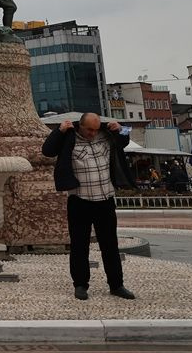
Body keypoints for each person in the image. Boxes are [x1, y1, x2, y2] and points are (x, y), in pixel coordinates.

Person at [42, 113, 136, 301]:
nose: (93, 133)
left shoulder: (107, 134)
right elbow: (47, 150)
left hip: (105, 199)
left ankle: (117, 284)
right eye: (89, 130)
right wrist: (58, 132)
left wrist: (122, 127)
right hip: (80, 200)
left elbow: (127, 135)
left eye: (95, 129)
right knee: (79, 245)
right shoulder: (69, 136)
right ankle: (80, 285)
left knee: (110, 245)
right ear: (80, 126)